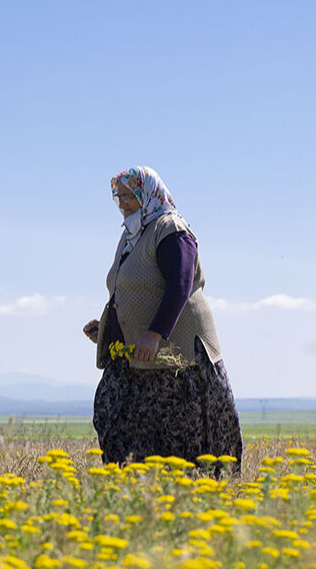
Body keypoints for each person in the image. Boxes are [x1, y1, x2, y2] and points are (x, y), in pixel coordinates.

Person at [81, 166, 242, 473]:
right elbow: (131, 291)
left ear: (148, 194)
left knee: (184, 439)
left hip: (179, 356)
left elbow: (179, 286)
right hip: (136, 355)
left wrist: (155, 334)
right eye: (119, 198)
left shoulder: (171, 229)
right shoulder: (132, 236)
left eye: (130, 197)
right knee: (114, 419)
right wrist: (108, 330)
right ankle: (137, 497)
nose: (123, 204)